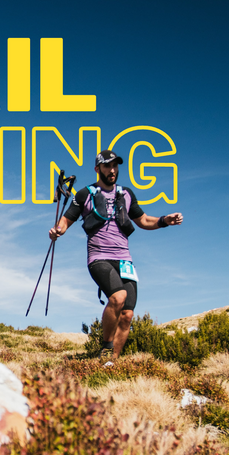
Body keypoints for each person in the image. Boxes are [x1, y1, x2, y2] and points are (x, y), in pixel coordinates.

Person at [49, 150, 183, 358]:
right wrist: (58, 230)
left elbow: (144, 220)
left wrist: (165, 220)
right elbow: (67, 220)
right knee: (118, 297)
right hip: (99, 257)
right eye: (107, 166)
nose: (112, 170)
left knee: (128, 314)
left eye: (115, 166)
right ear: (97, 169)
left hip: (124, 260)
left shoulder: (126, 194)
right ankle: (106, 348)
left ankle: (113, 362)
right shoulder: (85, 194)